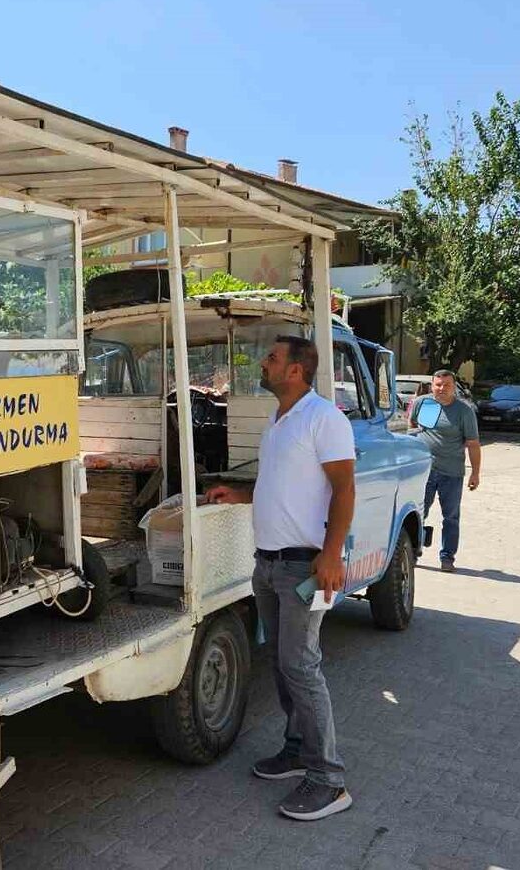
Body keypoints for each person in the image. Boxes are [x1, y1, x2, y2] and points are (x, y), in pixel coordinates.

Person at [206, 335, 356, 822]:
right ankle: (295, 752)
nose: (262, 363)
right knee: (284, 664)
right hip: (269, 564)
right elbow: (282, 487)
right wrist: (242, 495)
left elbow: (344, 488)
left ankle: (329, 781)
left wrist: (332, 554)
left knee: (301, 667)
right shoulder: (277, 420)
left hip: (303, 565)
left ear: (296, 370)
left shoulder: (323, 417)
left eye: (271, 358)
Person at [408, 369, 481, 573]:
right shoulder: (423, 403)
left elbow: (473, 444)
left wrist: (475, 473)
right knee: (417, 513)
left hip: (452, 473)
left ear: (453, 387)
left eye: (446, 385)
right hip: (424, 470)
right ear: (432, 385)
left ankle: (447, 557)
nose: (442, 388)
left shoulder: (463, 411)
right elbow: (412, 426)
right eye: (438, 384)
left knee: (451, 517)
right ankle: (413, 551)